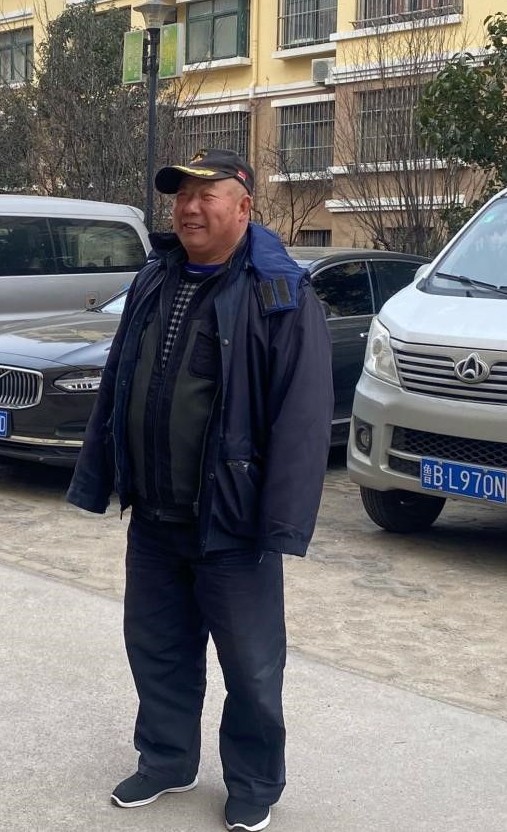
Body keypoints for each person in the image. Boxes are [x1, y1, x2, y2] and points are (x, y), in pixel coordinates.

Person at [66, 149, 333, 832]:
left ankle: (253, 781)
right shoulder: (156, 277)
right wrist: (99, 473)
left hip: (230, 521)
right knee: (156, 648)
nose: (188, 207)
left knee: (250, 665)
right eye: (180, 195)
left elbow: (302, 414)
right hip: (154, 514)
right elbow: (119, 380)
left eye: (204, 194)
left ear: (243, 207)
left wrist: (279, 522)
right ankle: (165, 759)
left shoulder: (278, 290)